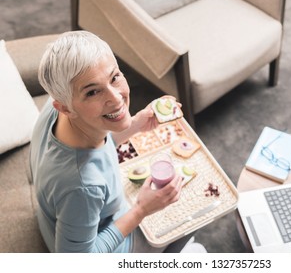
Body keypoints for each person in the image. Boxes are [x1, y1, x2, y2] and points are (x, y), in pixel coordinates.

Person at [30, 31, 195, 253]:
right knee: (192, 214)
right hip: (108, 244)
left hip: (67, 216)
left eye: (114, 77)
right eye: (93, 92)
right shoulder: (83, 186)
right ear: (66, 107)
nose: (116, 98)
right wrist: (140, 210)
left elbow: (95, 144)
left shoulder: (55, 106)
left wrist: (136, 123)